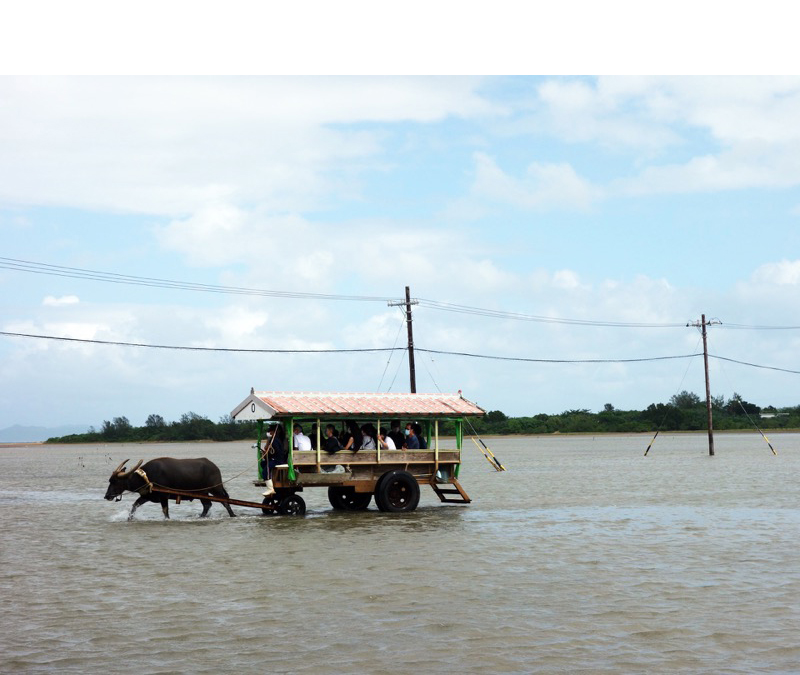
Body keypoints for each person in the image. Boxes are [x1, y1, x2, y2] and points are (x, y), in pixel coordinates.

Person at [262, 424, 287, 497]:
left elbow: (277, 452)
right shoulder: (273, 439)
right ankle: (269, 479)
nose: (269, 433)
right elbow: (269, 450)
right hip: (275, 459)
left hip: (278, 460)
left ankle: (270, 488)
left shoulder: (275, 440)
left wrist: (269, 451)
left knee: (265, 470)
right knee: (263, 463)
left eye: (271, 431)